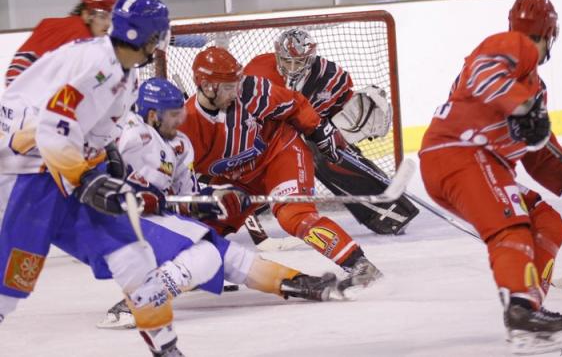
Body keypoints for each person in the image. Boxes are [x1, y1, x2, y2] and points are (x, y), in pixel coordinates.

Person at [419, 0, 562, 355]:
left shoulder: (532, 85)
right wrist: (524, 109)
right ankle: (522, 314)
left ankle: (530, 307)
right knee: (512, 226)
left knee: (546, 220)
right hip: (462, 154)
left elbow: (538, 150)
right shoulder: (512, 46)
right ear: (548, 34)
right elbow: (483, 73)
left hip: (479, 163)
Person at [0, 0, 188, 356]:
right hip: (29, 168)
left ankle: (166, 348)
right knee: (13, 278)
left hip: (62, 163)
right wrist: (87, 178)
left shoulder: (127, 73)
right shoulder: (93, 66)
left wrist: (107, 155)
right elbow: (52, 129)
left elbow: (92, 127)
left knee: (134, 255)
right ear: (147, 37)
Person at [98, 77, 342, 329]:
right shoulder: (128, 135)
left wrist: (213, 197)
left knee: (228, 254)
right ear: (152, 115)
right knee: (202, 255)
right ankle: (136, 304)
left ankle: (298, 283)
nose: (180, 119)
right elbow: (95, 180)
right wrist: (128, 193)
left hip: (160, 219)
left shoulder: (180, 145)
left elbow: (187, 198)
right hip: (124, 223)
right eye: (173, 114)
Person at [179, 46, 382, 291]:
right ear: (208, 86)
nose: (237, 90)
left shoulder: (252, 91)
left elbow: (294, 104)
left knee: (294, 214)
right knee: (201, 225)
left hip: (280, 154)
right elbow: (183, 177)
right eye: (229, 86)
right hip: (238, 178)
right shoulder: (185, 126)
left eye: (238, 82)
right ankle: (199, 273)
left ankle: (359, 265)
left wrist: (320, 130)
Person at [244, 28, 419, 235]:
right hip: (267, 138)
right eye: (286, 61)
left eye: (298, 62)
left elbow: (340, 110)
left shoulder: (331, 77)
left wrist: (359, 115)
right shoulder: (257, 71)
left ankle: (389, 212)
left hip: (308, 135)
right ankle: (246, 206)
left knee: (329, 153)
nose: (291, 68)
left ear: (310, 58)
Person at [4, 0, 117, 88]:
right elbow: (92, 75)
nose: (108, 24)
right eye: (102, 17)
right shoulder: (82, 37)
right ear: (86, 14)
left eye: (109, 16)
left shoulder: (59, 25)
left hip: (17, 87)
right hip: (27, 91)